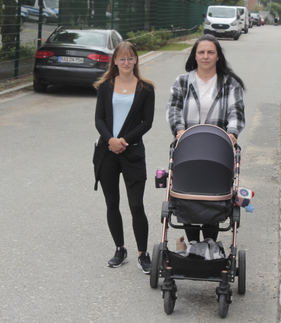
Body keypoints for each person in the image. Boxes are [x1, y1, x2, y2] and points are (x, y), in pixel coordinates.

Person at [166, 34, 246, 242]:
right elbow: (173, 109)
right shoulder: (182, 81)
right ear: (195, 55)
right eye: (201, 52)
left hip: (217, 148)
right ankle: (193, 243)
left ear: (218, 56)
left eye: (211, 52)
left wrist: (232, 133)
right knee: (188, 194)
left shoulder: (230, 83)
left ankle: (210, 242)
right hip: (188, 145)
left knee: (214, 194)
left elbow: (236, 112)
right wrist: (179, 130)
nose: (206, 56)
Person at [93, 41, 155, 273]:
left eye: (130, 58)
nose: (126, 62)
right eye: (122, 58)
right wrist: (110, 140)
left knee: (136, 205)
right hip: (107, 152)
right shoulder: (106, 86)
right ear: (115, 61)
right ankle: (120, 249)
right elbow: (99, 119)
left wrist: (123, 141)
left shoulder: (146, 88)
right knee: (112, 204)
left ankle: (143, 253)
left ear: (136, 60)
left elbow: (147, 122)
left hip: (133, 153)